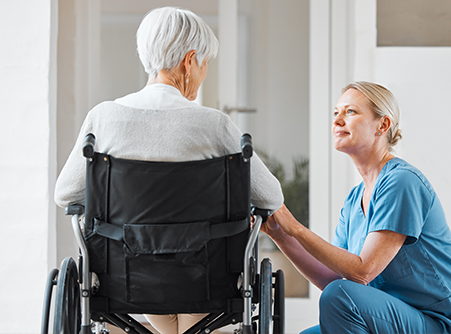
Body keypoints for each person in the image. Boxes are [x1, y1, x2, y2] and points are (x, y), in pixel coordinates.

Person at [54, 6, 283, 334]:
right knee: (189, 304)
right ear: (190, 61)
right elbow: (271, 196)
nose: (203, 73)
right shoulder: (215, 125)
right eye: (204, 64)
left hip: (126, 280)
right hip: (203, 281)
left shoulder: (103, 118)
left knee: (164, 304)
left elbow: (66, 193)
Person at [261, 81, 451, 334]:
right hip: (403, 319)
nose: (338, 121)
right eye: (336, 113)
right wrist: (279, 234)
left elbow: (362, 272)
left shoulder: (401, 182)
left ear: (382, 125)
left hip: (449, 325)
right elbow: (334, 278)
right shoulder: (354, 200)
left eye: (350, 112)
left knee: (340, 296)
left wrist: (295, 227)